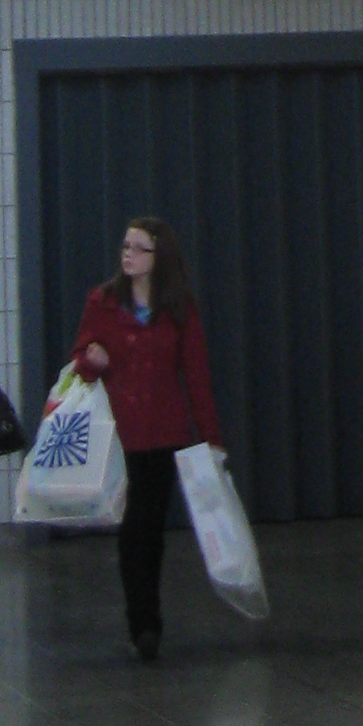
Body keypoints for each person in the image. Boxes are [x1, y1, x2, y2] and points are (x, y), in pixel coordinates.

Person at [74, 218, 223, 662]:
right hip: (119, 432)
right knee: (132, 529)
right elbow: (79, 360)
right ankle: (141, 620)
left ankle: (147, 619)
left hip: (163, 433)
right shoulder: (102, 303)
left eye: (139, 248)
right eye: (125, 246)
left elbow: (196, 376)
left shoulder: (179, 309)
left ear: (159, 259)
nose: (128, 255)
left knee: (149, 528)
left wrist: (210, 437)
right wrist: (92, 360)